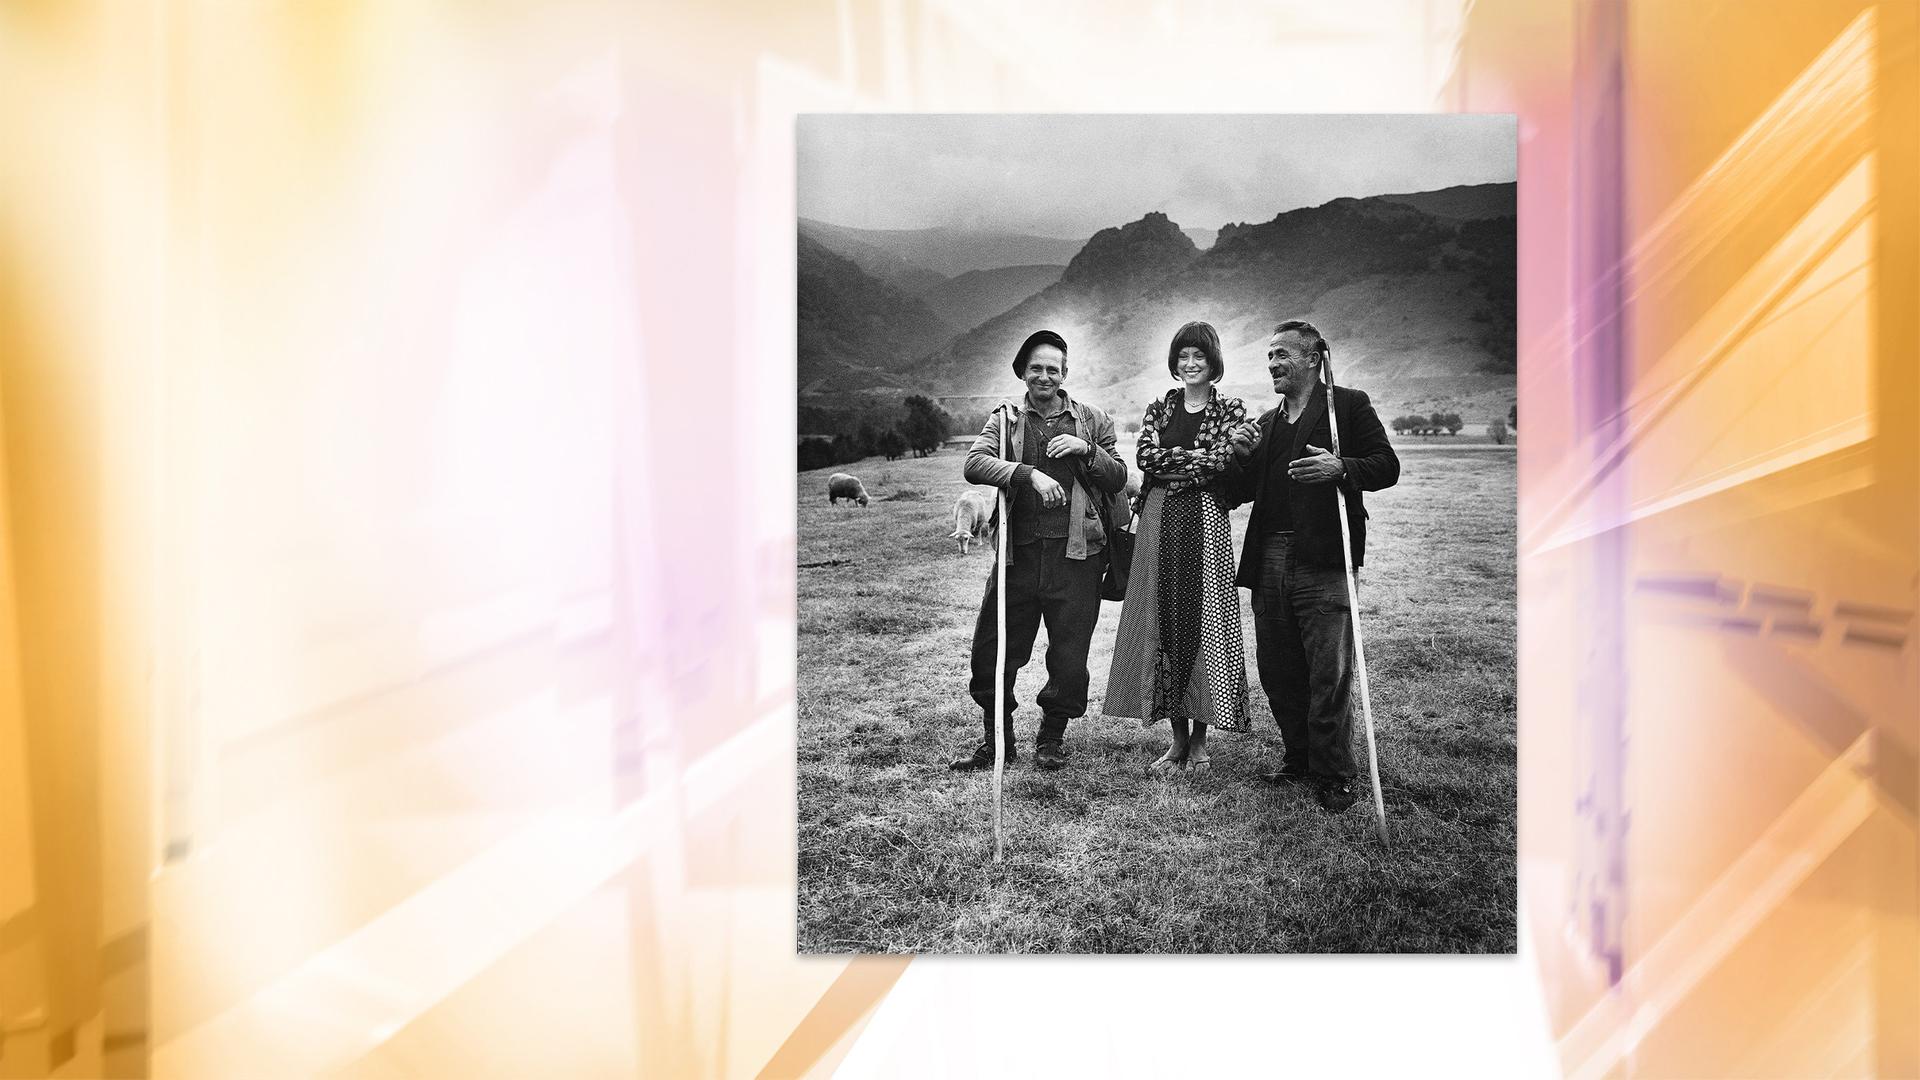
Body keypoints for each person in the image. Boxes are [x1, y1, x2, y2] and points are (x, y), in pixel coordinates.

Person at [1224, 320, 1399, 811]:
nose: (1273, 364)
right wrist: (1240, 459)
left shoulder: (1348, 406)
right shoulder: (1264, 424)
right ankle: (1298, 757)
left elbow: (1387, 465)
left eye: (1282, 354)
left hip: (1325, 556)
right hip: (1270, 556)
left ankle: (1334, 771)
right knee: (1278, 669)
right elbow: (1238, 494)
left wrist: (1341, 468)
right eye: (1269, 357)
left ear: (1312, 358)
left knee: (1329, 670)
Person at [951, 330, 1129, 772]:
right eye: (1036, 368)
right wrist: (1026, 473)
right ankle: (998, 742)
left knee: (1070, 655)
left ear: (1065, 373)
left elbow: (1118, 476)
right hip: (1018, 557)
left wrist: (1087, 451)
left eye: (1053, 368)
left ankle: (1051, 738)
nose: (1044, 376)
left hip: (1079, 559)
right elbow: (975, 464)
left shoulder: (1092, 420)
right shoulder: (1007, 420)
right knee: (994, 650)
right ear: (1023, 372)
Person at [1102, 321, 1256, 775]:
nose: (1190, 365)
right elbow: (1146, 458)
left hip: (1207, 521)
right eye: (1183, 357)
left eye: (1199, 358)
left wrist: (1186, 464)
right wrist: (1195, 463)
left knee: (1205, 622)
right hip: (1159, 519)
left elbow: (1222, 461)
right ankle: (1175, 740)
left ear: (1213, 364)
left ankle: (1202, 741)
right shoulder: (1160, 407)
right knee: (1162, 619)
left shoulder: (1230, 408)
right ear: (1175, 363)